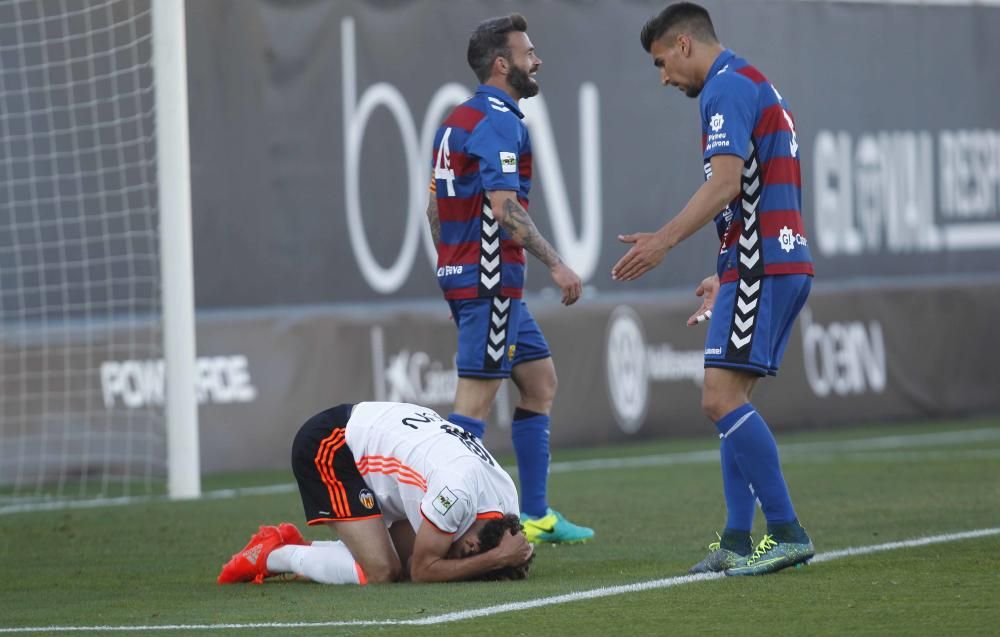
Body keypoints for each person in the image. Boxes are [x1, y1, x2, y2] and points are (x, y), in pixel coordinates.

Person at [613, 2, 815, 575]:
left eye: (661, 63)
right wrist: (725, 269)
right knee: (731, 403)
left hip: (761, 265)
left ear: (683, 44)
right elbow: (759, 188)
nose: (663, 79)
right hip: (765, 261)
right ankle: (733, 539)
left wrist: (664, 242)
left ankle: (786, 531)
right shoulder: (753, 81)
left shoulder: (723, 89)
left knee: (718, 400)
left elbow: (726, 184)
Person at [424, 13, 593, 544]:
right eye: (528, 53)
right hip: (491, 282)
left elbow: (434, 208)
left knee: (539, 383)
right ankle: (441, 529)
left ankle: (537, 515)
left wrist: (451, 264)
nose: (537, 61)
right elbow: (503, 208)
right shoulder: (501, 120)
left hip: (475, 278)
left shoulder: (455, 119)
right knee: (473, 404)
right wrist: (557, 263)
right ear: (503, 65)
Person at [217, 402, 534, 585]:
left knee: (401, 558)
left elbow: (428, 561)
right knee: (383, 570)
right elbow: (423, 571)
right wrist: (496, 558)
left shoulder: (506, 504)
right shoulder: (456, 490)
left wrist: (498, 559)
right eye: (473, 554)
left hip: (374, 439)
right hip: (332, 445)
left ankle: (304, 548)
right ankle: (273, 554)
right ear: (470, 542)